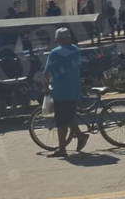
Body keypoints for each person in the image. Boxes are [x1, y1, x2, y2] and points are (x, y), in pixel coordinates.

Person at [43, 28, 89, 157]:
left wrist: (46, 88)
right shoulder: (75, 49)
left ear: (58, 40)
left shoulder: (54, 53)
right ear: (69, 38)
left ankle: (62, 149)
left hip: (60, 91)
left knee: (61, 121)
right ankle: (80, 136)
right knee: (69, 115)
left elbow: (46, 74)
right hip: (74, 89)